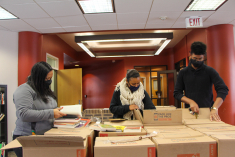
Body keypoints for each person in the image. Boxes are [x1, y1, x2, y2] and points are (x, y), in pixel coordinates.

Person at [12, 61, 66, 157]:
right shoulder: (24, 90)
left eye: (50, 78)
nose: (49, 81)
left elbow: (49, 110)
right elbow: (24, 114)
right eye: (46, 78)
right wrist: (51, 113)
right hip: (26, 138)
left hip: (45, 136)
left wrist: (58, 112)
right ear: (38, 78)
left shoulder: (46, 91)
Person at [174, 41, 229, 121]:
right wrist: (190, 101)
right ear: (190, 54)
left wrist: (215, 108)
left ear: (204, 57)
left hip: (208, 112)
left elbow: (223, 89)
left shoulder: (210, 71)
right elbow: (177, 93)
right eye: (195, 58)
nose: (197, 61)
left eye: (200, 59)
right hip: (190, 112)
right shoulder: (183, 72)